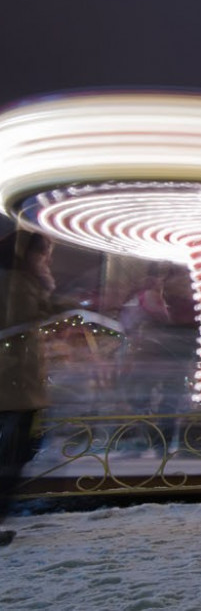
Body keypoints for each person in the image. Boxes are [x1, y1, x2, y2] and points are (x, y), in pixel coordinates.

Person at [1, 233, 55, 546]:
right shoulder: (17, 283)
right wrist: (47, 290)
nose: (47, 262)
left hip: (15, 383)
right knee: (12, 456)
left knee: (14, 454)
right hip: (13, 384)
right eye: (44, 255)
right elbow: (22, 318)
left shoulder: (16, 281)